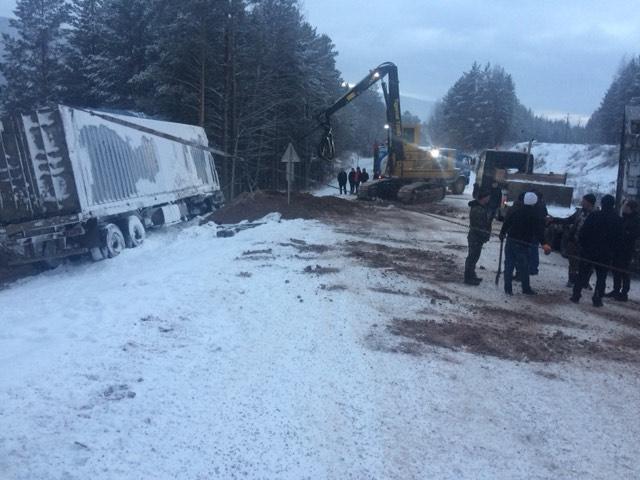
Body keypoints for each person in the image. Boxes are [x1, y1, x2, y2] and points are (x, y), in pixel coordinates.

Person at [571, 194, 623, 307]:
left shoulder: (594, 215)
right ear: (613, 205)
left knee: (582, 274)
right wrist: (613, 251)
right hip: (606, 253)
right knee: (601, 277)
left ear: (602, 204)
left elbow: (583, 232)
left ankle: (576, 295)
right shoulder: (617, 220)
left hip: (589, 251)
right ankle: (597, 298)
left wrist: (583, 246)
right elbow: (619, 239)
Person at [499, 192, 552, 296]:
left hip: (511, 241)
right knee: (524, 267)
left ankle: (508, 288)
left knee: (509, 264)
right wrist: (544, 243)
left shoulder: (515, 210)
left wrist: (502, 233)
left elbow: (507, 222)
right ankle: (526, 288)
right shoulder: (534, 215)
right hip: (523, 244)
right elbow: (538, 231)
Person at [550, 193, 596, 287]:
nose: (582, 202)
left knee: (586, 264)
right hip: (574, 241)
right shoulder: (579, 212)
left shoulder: (595, 215)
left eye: (584, 201)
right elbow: (569, 220)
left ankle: (584, 282)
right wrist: (554, 220)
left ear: (589, 203)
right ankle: (572, 280)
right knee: (573, 263)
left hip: (587, 244)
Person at [606, 199, 640, 302]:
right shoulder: (625, 218)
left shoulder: (635, 220)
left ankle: (624, 292)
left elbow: (633, 235)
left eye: (625, 206)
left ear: (629, 208)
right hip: (619, 248)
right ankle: (616, 290)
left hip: (627, 250)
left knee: (624, 271)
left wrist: (624, 234)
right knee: (616, 269)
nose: (623, 207)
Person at [464, 188, 492, 285]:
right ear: (483, 198)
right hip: (475, 237)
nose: (489, 199)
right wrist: (485, 235)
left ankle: (471, 275)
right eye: (487, 197)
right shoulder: (478, 209)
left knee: (474, 257)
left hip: (477, 237)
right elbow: (479, 225)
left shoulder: (481, 207)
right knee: (472, 257)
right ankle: (468, 277)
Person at [528, 190, 549, 276]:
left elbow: (537, 220)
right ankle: (533, 268)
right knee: (534, 249)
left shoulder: (537, 207)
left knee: (532, 250)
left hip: (534, 231)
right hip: (538, 231)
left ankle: (533, 268)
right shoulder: (542, 206)